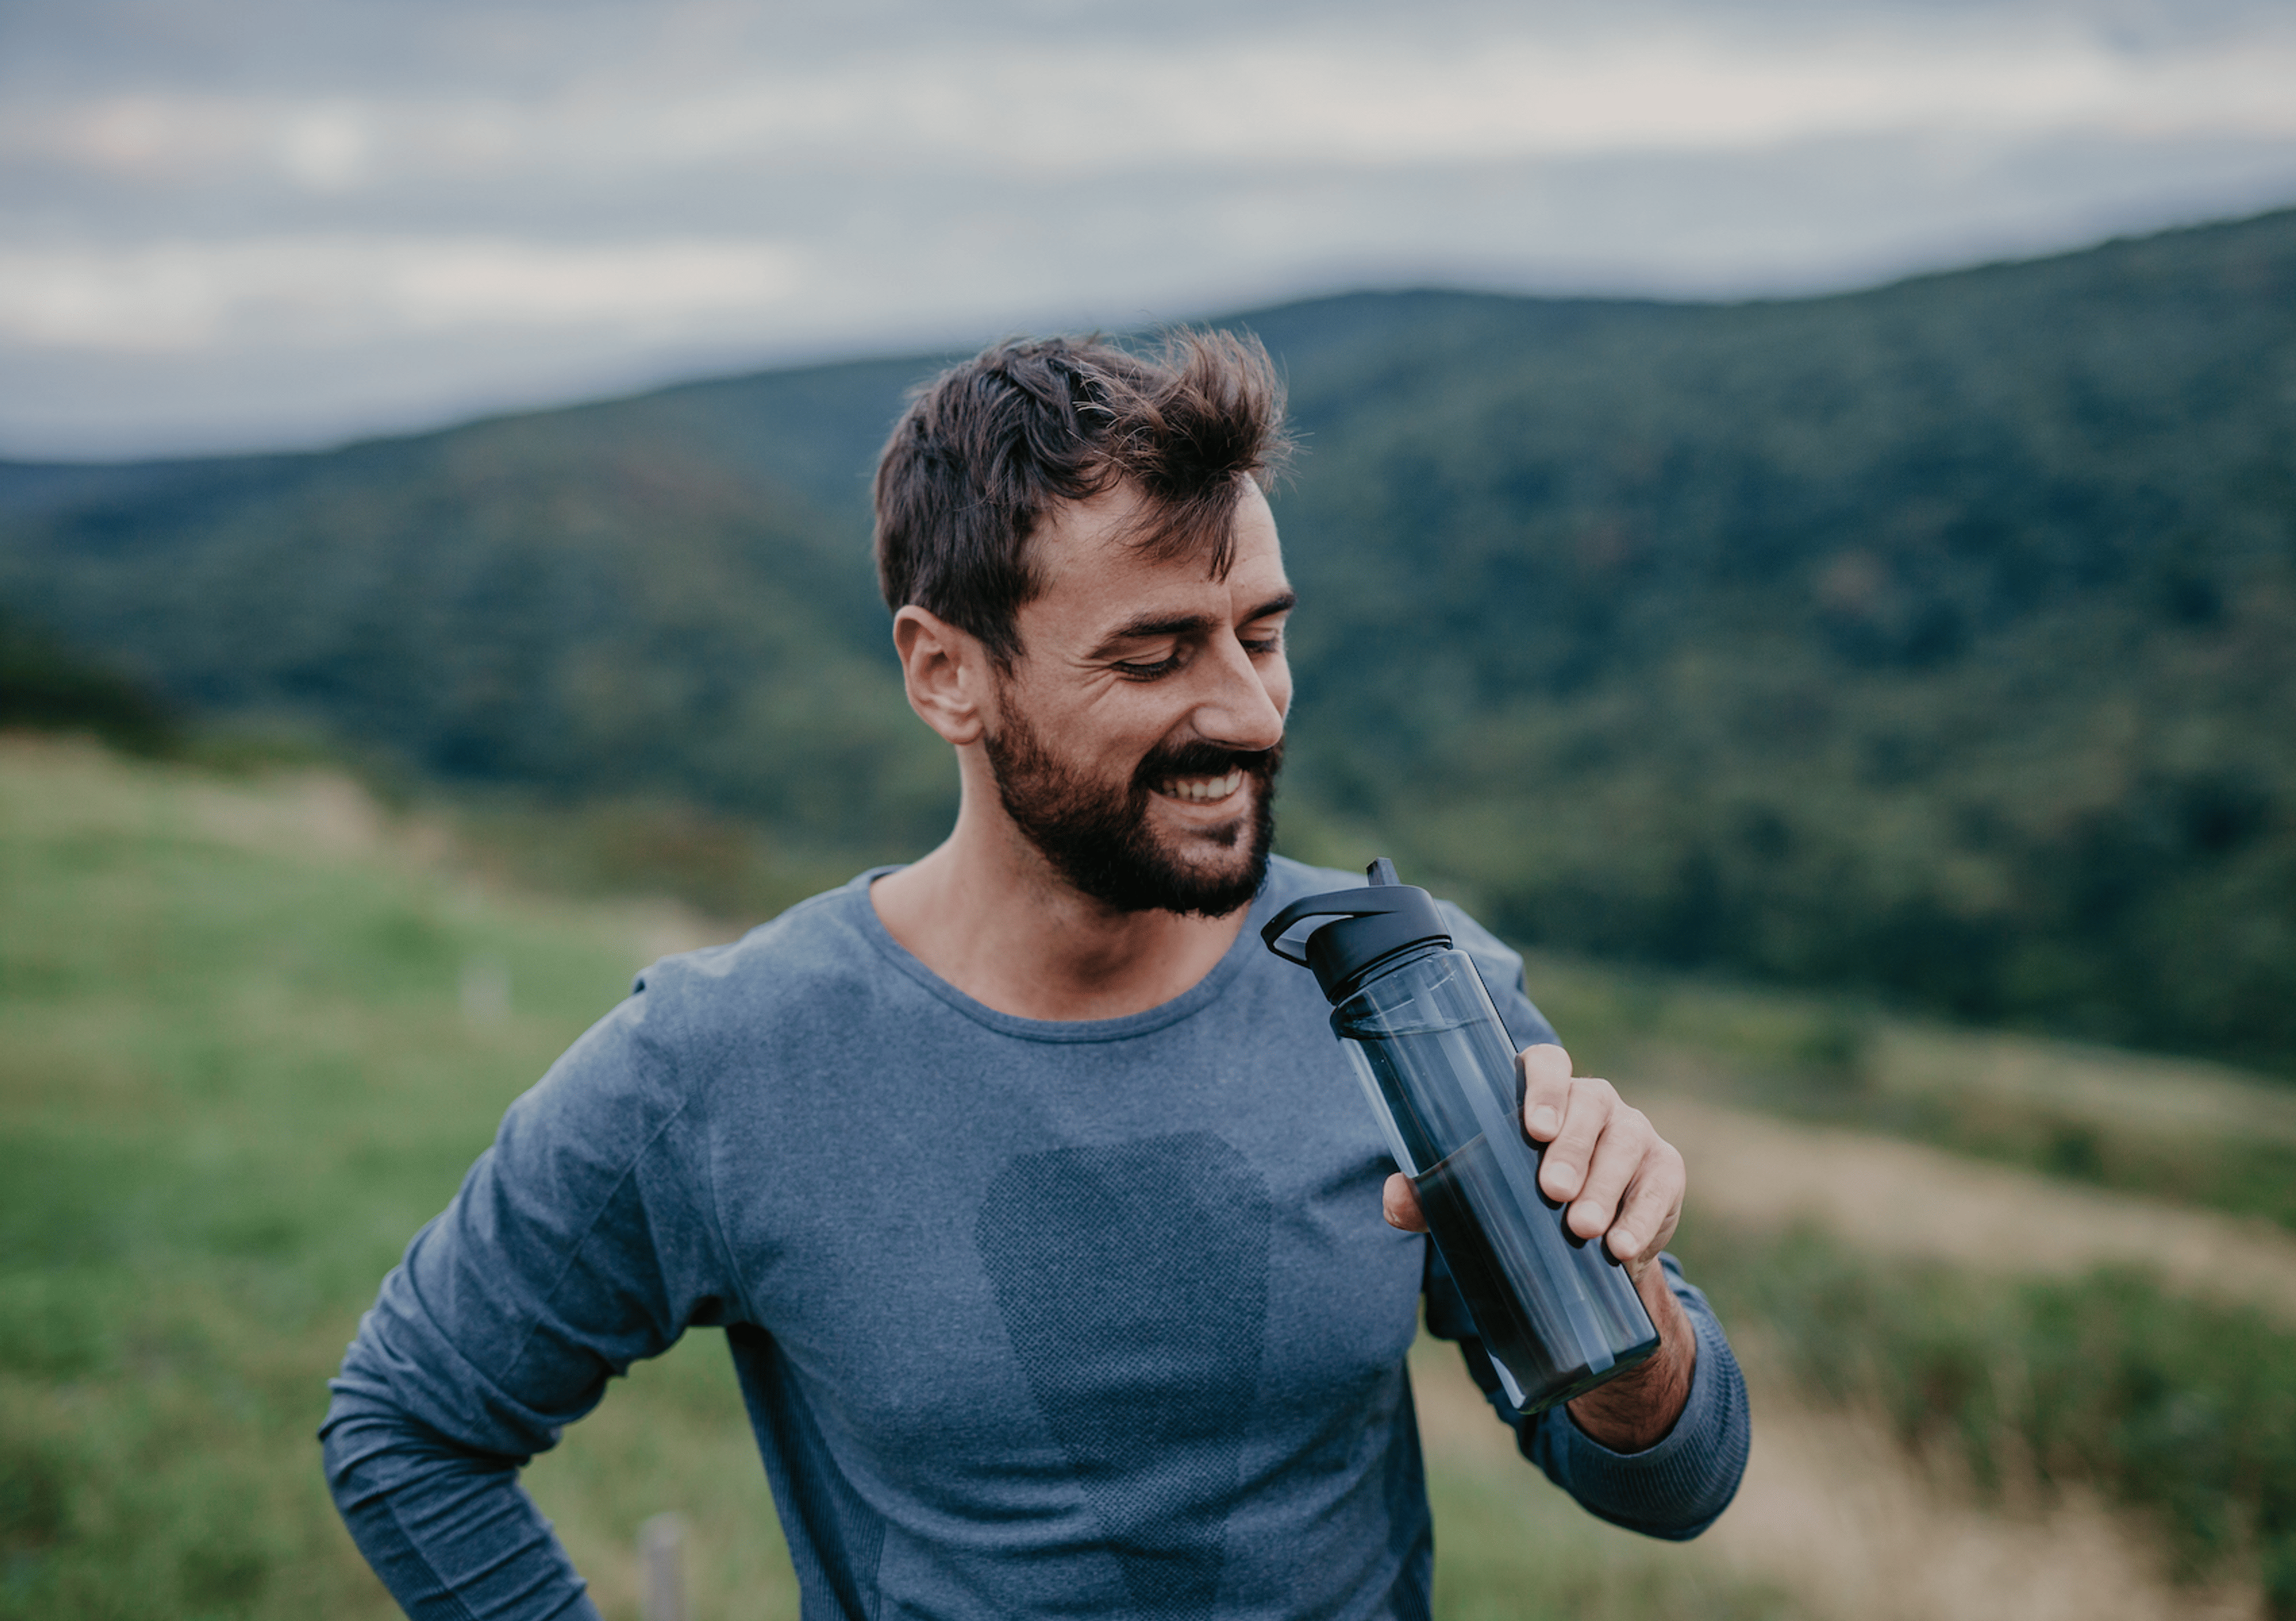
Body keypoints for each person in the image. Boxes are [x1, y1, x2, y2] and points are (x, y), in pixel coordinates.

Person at [322, 332, 1749, 1620]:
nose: (1249, 713)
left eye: (1264, 632)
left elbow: (1666, 1485)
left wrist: (1636, 1329)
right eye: (1153, 655)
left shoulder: (1412, 994)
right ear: (948, 672)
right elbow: (409, 1423)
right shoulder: (722, 1059)